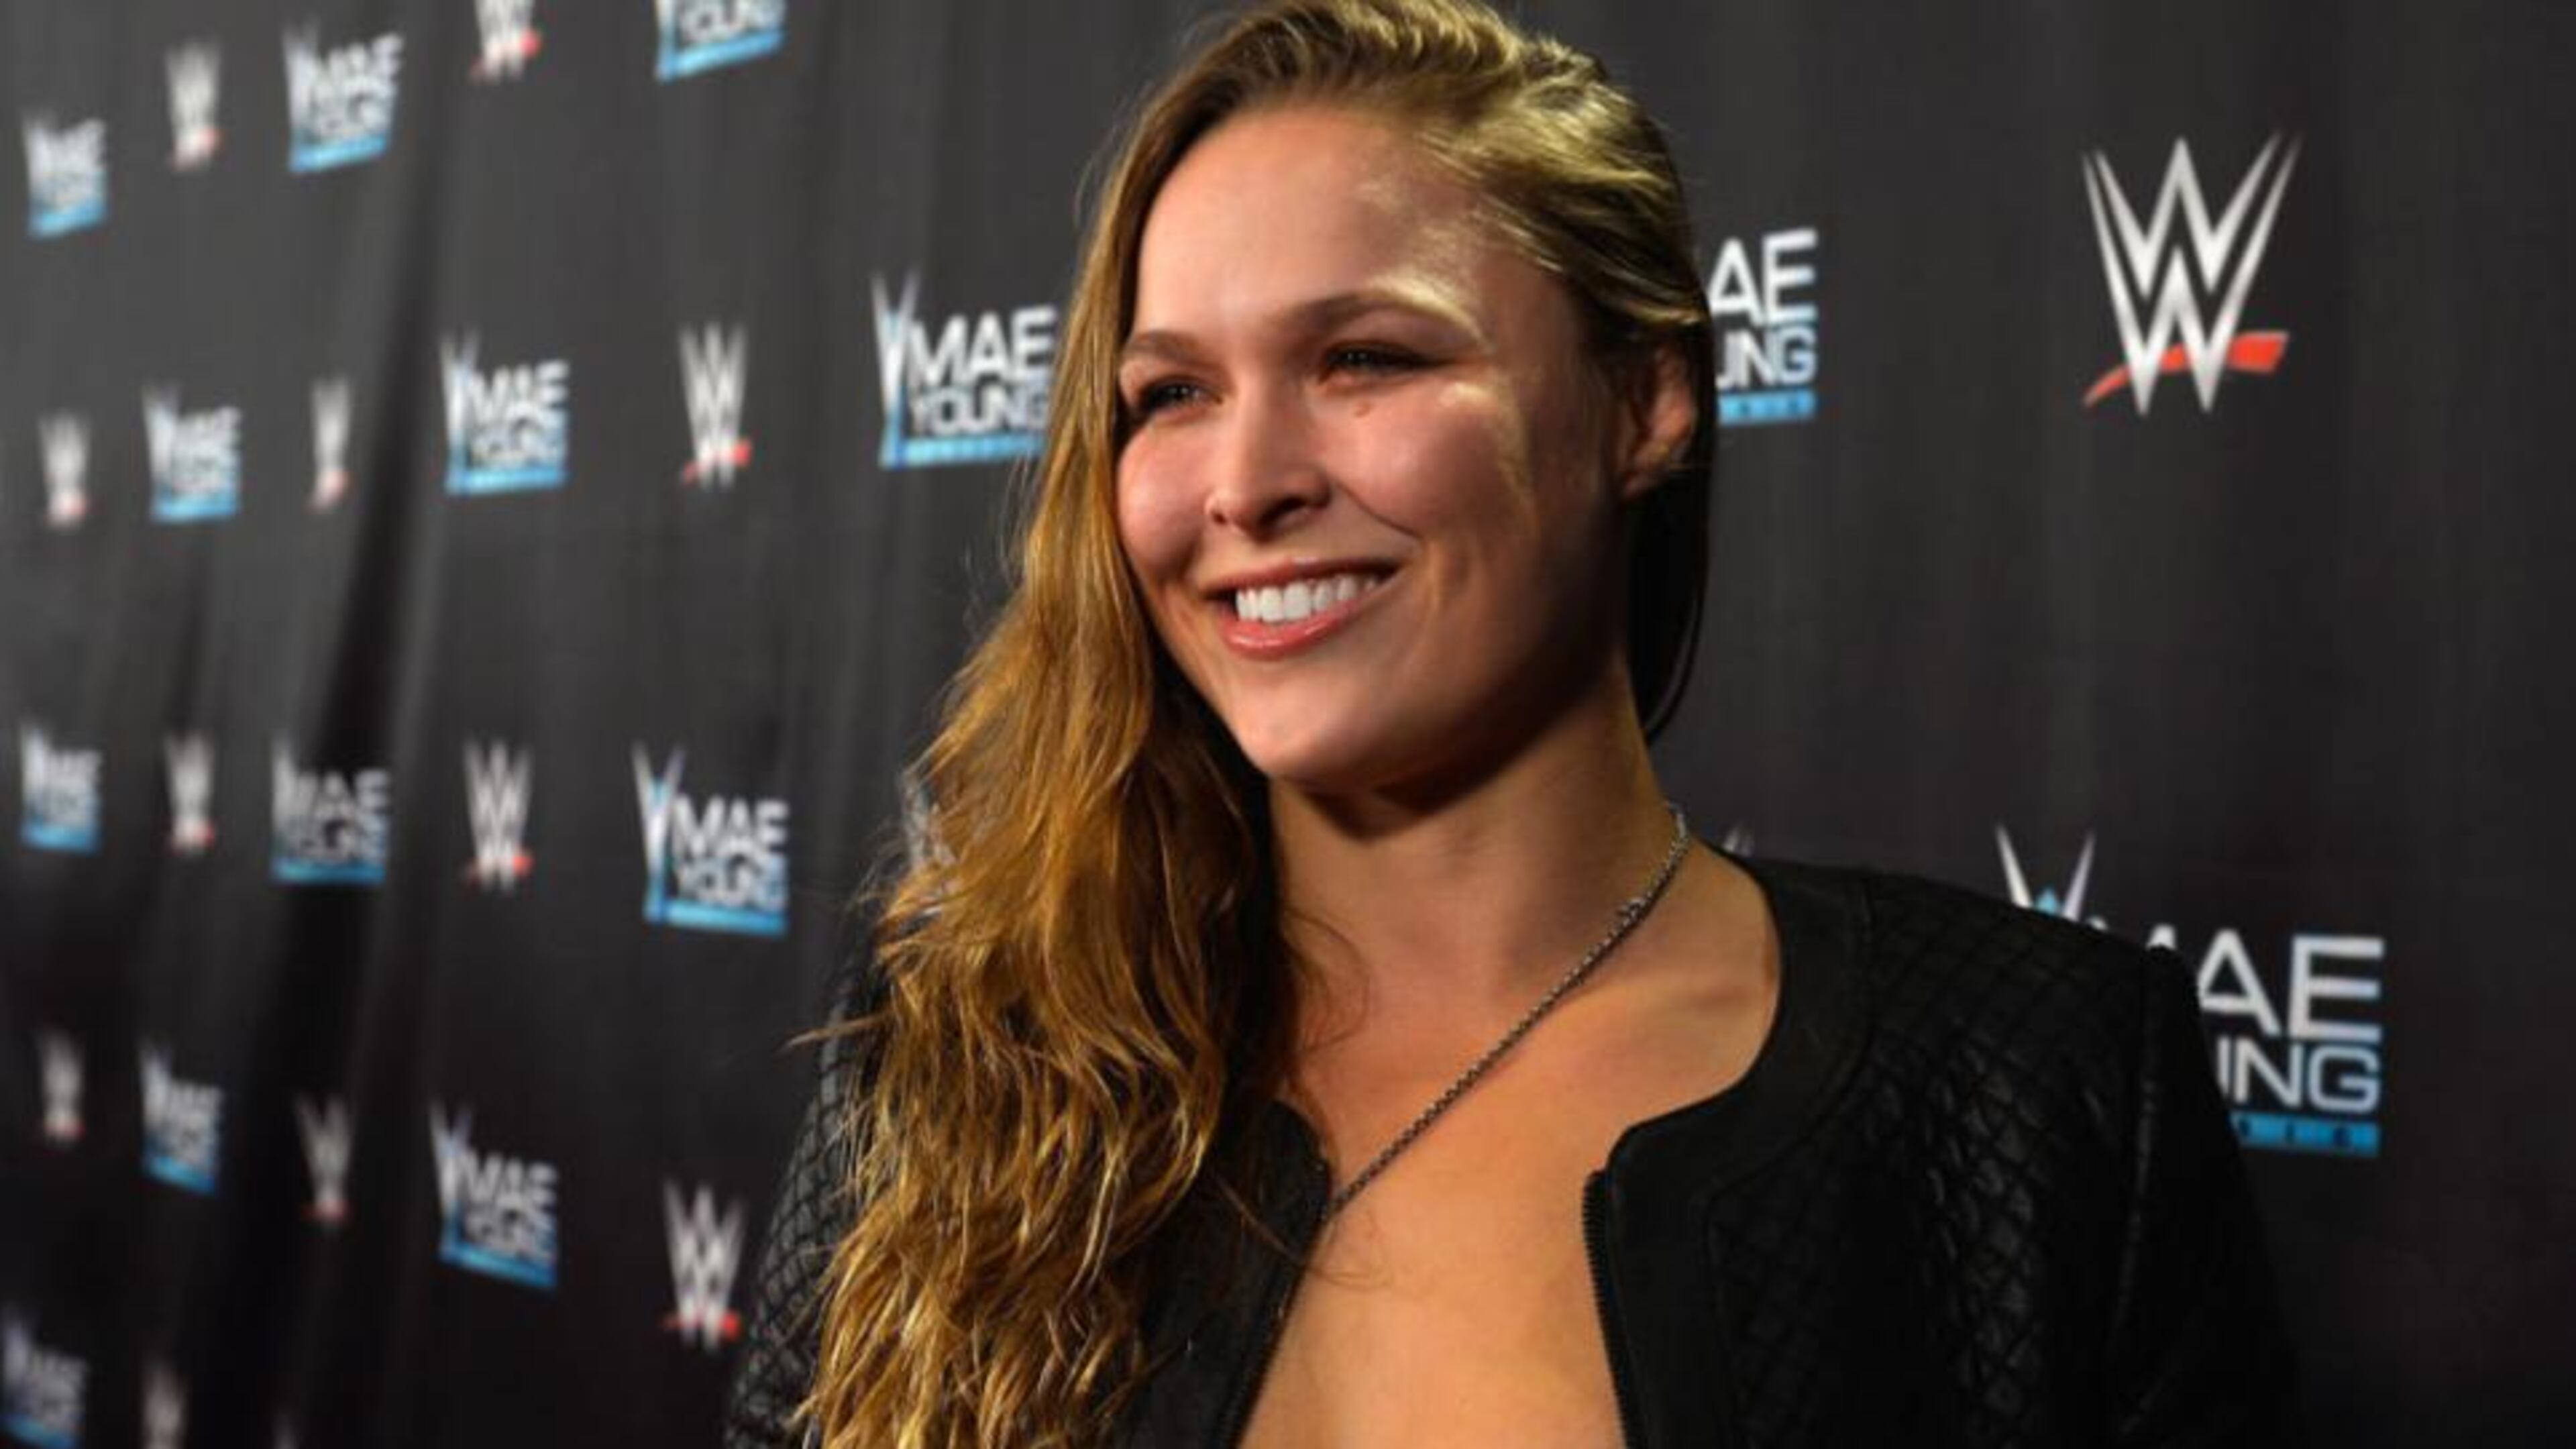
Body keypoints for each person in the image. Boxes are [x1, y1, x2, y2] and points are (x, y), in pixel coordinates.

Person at [727, 1, 2299, 1444]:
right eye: (1173, 394)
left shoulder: (2041, 1086)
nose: (1245, 484)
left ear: (1646, 404)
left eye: (1365, 358)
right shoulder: (958, 1053)